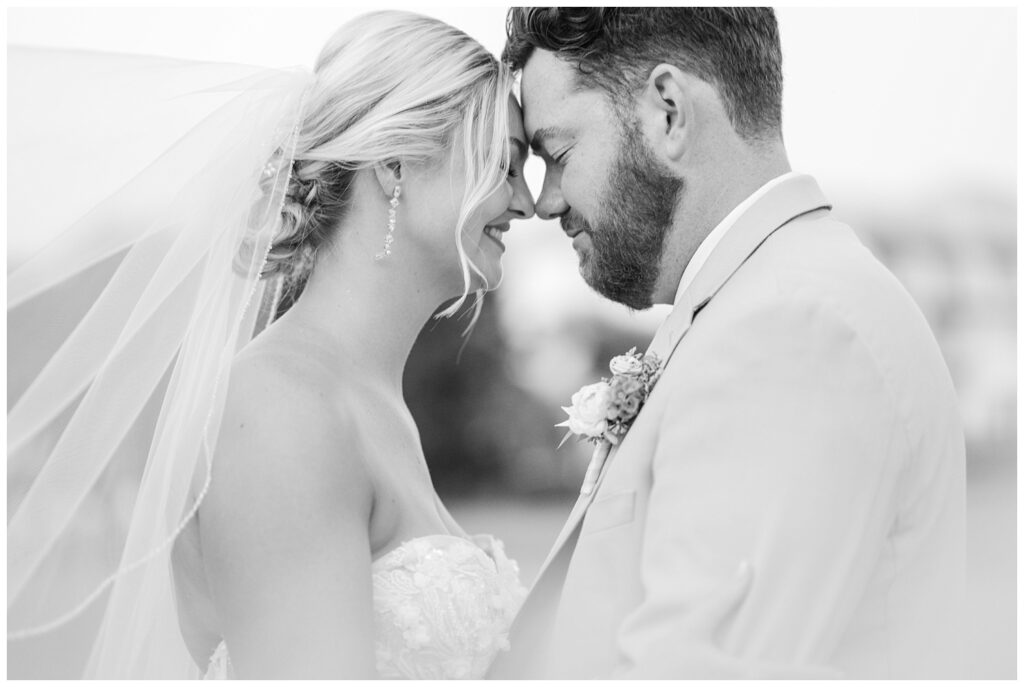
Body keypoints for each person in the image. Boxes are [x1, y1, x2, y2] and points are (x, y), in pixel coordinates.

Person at [7, 10, 534, 679]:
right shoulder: (279, 408)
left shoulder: (367, 401)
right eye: (503, 163)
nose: (527, 202)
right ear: (395, 164)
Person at [489, 7, 966, 679]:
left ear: (668, 112)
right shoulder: (761, 301)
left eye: (559, 155)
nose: (545, 202)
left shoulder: (790, 330)